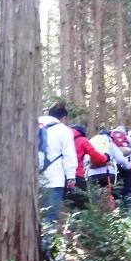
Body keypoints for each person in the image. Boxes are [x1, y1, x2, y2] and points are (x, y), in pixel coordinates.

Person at [38, 102, 77, 253]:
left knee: (37, 217)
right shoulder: (64, 130)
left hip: (32, 181)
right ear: (64, 118)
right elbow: (69, 157)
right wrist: (71, 180)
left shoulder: (35, 125)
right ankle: (48, 257)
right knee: (50, 218)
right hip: (55, 180)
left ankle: (36, 252)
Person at [86, 129, 129, 210]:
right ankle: (116, 213)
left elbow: (86, 160)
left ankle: (96, 214)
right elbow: (120, 159)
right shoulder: (109, 141)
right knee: (113, 193)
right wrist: (128, 166)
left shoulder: (91, 141)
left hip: (92, 174)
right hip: (108, 172)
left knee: (94, 197)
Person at [70, 124, 109, 210]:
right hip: (77, 176)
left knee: (71, 204)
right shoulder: (82, 140)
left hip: (63, 177)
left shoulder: (65, 139)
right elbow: (94, 155)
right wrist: (105, 158)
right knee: (84, 206)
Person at [111, 126, 131, 206]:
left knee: (117, 184)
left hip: (115, 165)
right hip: (128, 164)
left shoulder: (111, 138)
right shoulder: (127, 138)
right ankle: (130, 205)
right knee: (128, 184)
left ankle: (118, 205)